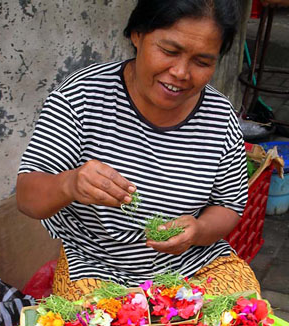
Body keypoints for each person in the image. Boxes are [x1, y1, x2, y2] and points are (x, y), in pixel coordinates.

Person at [17, 0, 260, 301]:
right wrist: (70, 183)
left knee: (243, 311)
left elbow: (229, 206)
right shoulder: (81, 98)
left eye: (202, 62)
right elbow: (27, 198)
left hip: (193, 265)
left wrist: (197, 230)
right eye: (169, 51)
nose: (181, 72)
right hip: (97, 268)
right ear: (137, 35)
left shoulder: (220, 116)